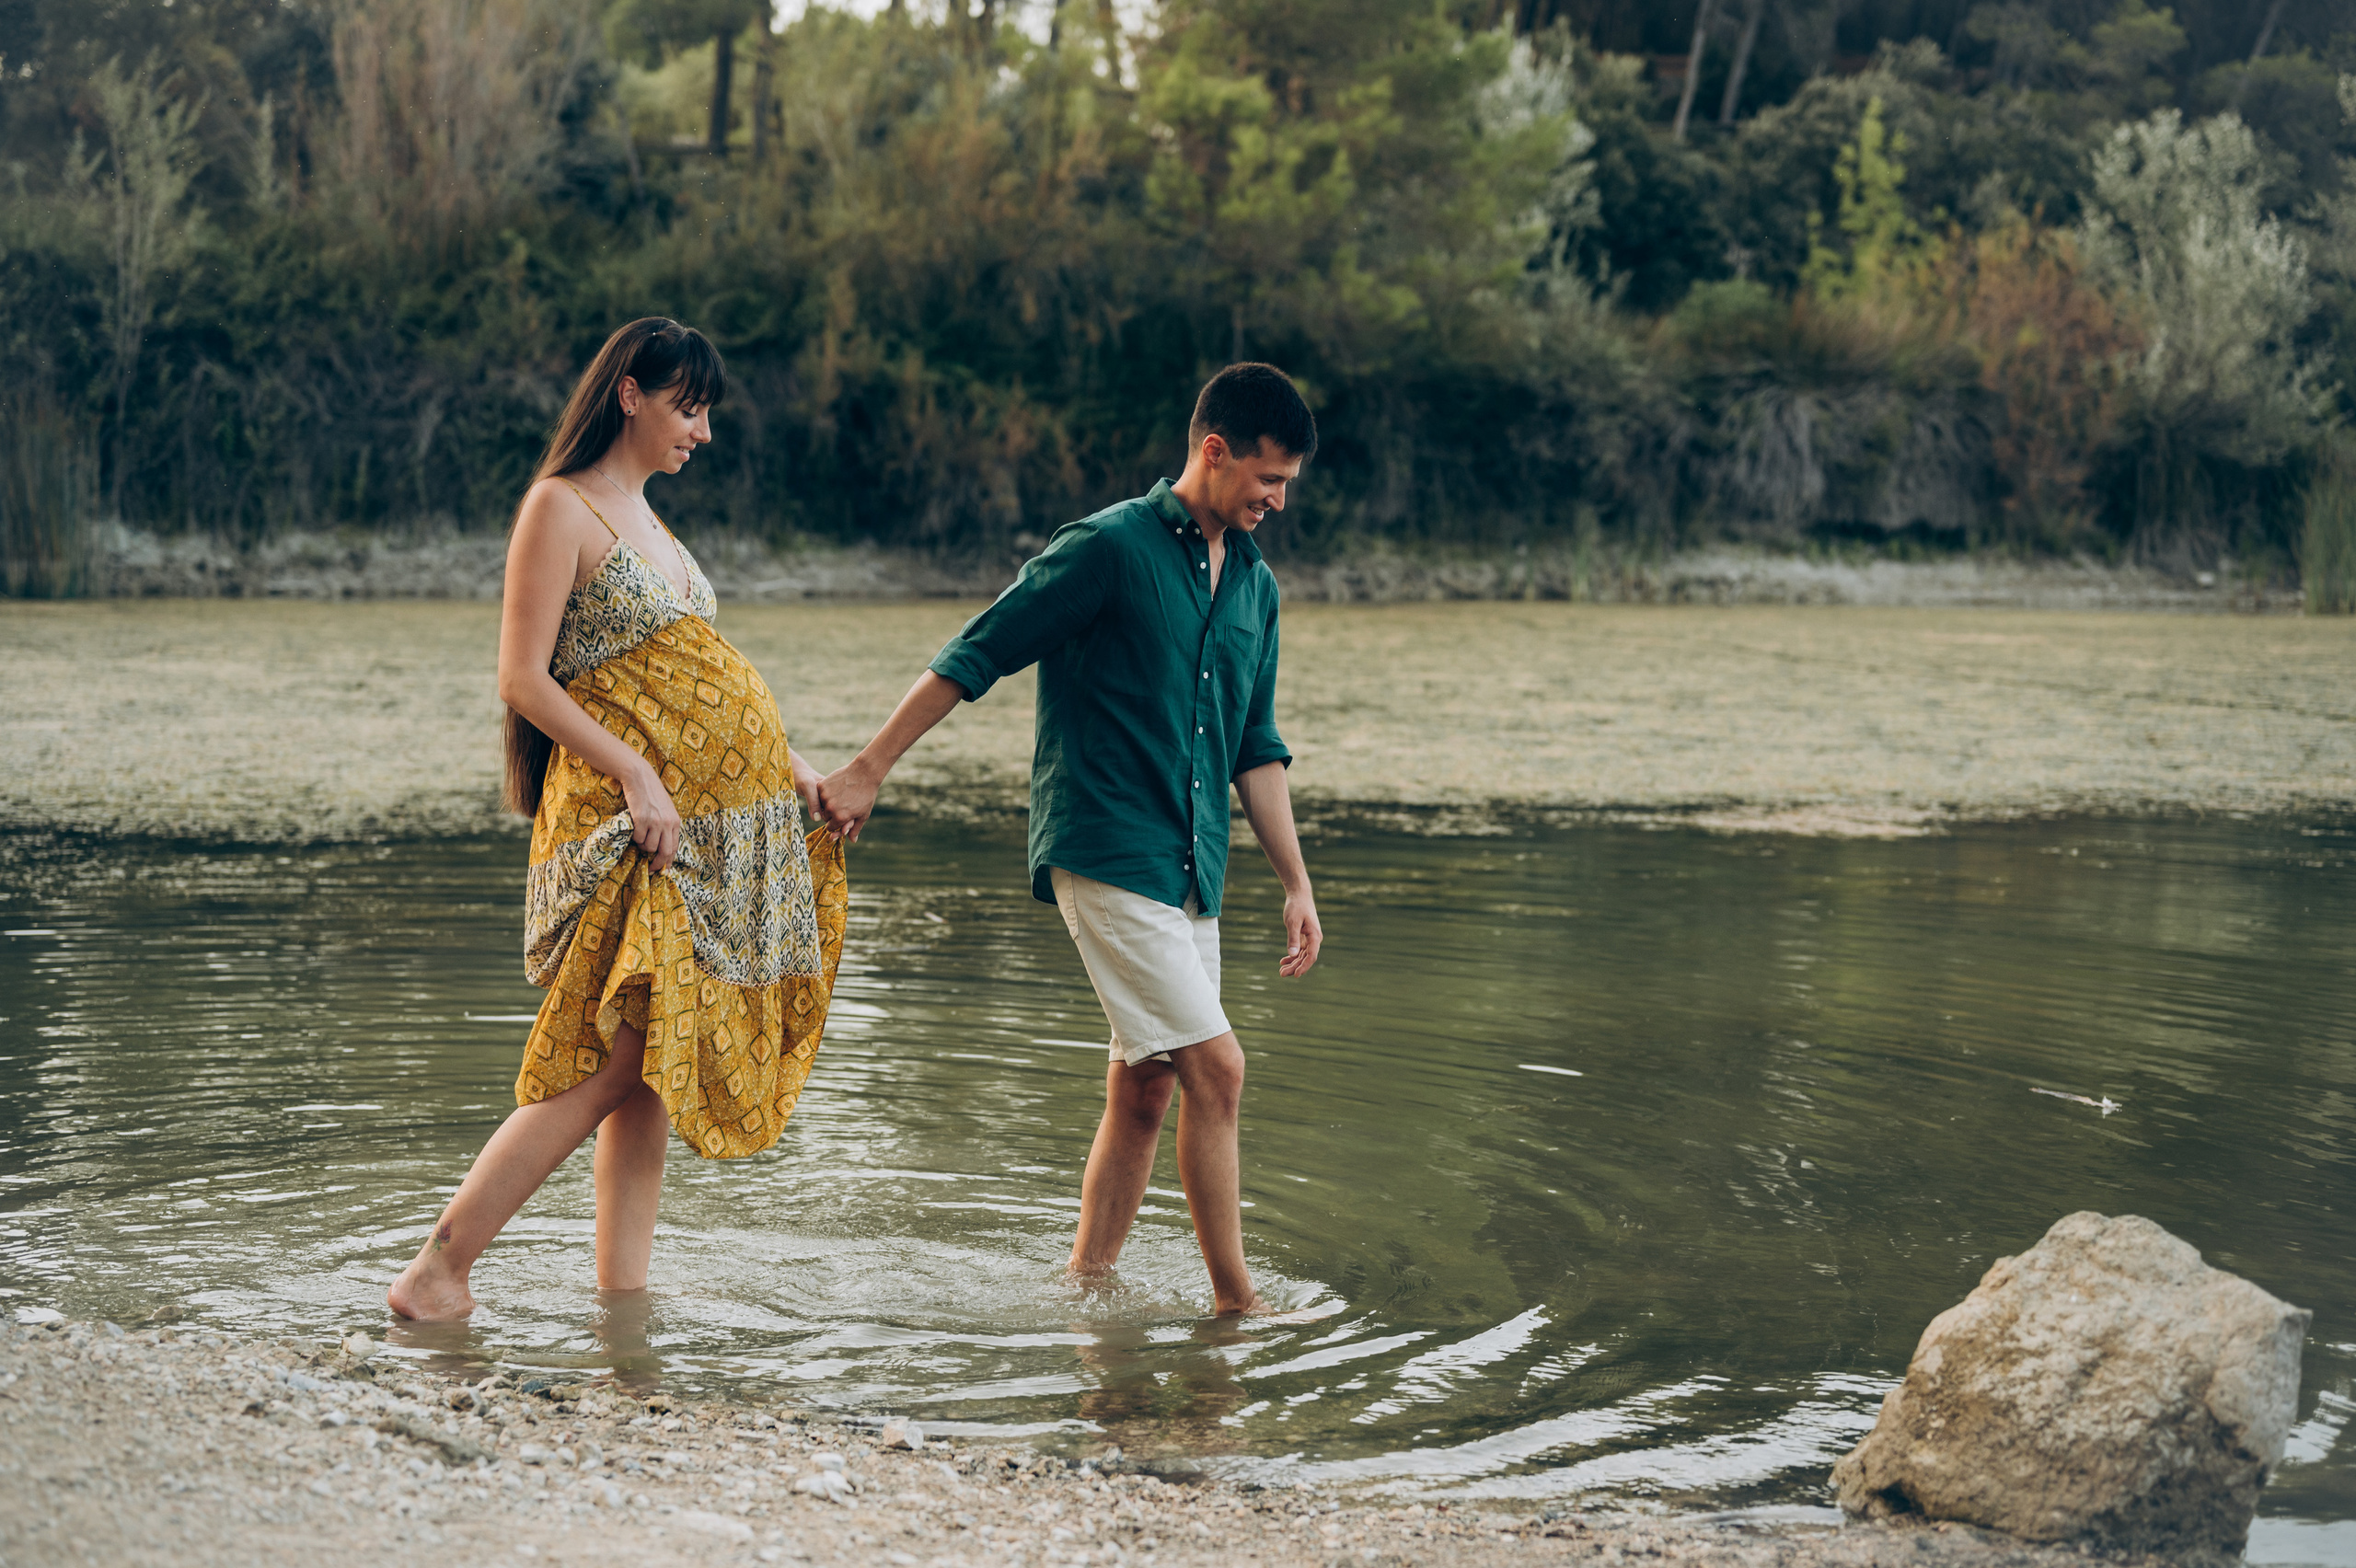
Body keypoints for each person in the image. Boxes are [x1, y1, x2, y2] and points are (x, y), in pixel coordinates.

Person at [816, 362, 1324, 1317]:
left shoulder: (1256, 589)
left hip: (1190, 870)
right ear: (1213, 452)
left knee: (1146, 1086)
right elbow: (977, 652)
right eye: (1268, 478)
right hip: (1103, 848)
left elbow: (1256, 749)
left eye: (1288, 482)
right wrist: (867, 768)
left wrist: (1294, 884)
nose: (1278, 501)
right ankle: (1237, 1306)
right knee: (1217, 1067)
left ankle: (1086, 1287)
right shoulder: (1106, 548)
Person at [387, 318, 849, 1321]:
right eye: (689, 408)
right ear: (629, 393)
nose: (703, 433)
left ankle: (620, 1302)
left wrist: (793, 769)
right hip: (626, 827)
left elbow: (687, 683)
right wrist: (638, 774)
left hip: (693, 835)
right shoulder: (559, 508)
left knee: (648, 1071)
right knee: (614, 1060)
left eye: (709, 414)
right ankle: (439, 1269)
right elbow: (522, 675)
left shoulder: (655, 526)